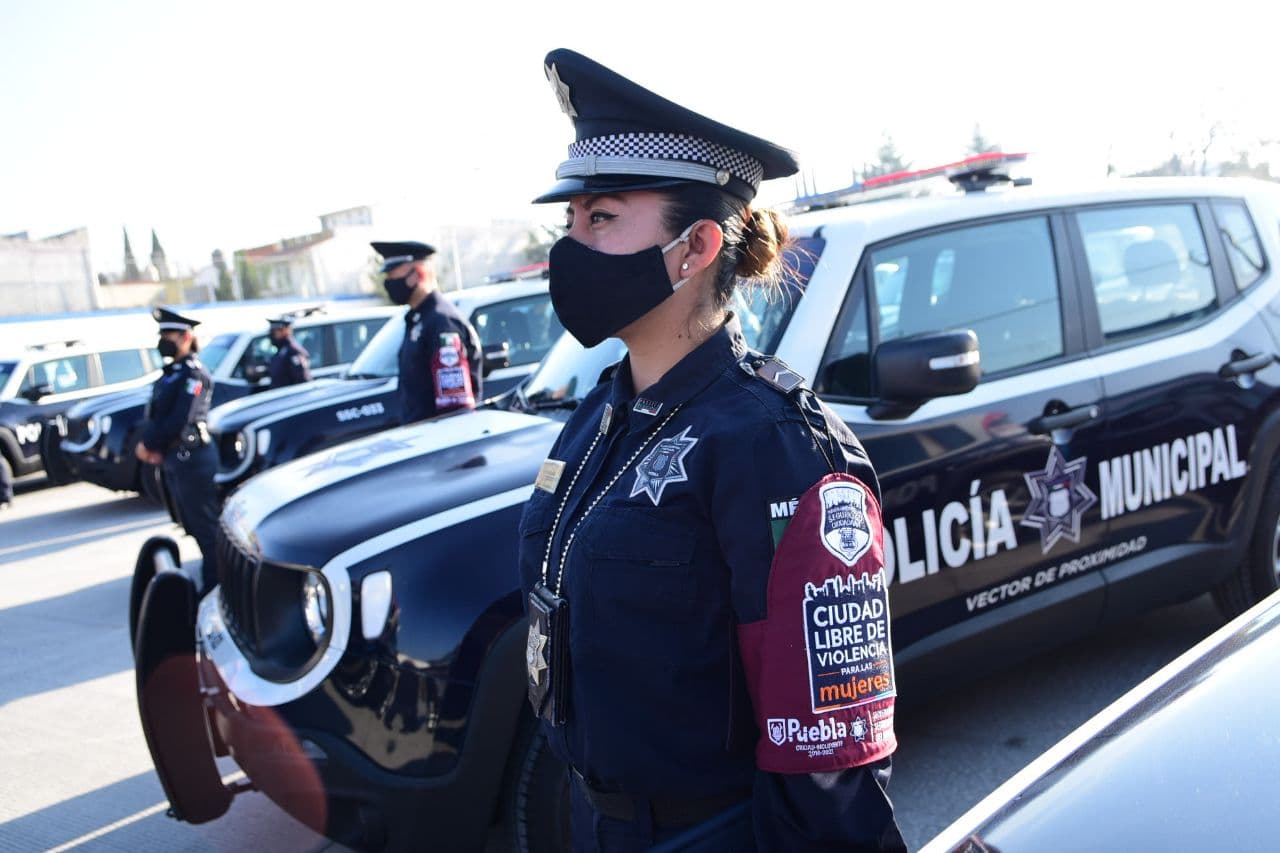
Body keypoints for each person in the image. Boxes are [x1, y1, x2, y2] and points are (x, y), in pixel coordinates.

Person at [517, 50, 904, 852]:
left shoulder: (777, 446)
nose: (570, 248)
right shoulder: (603, 410)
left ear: (694, 249)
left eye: (599, 218)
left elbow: (829, 758)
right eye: (570, 222)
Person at [135, 307, 219, 593]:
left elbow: (180, 419)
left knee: (207, 531)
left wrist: (149, 445)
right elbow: (157, 416)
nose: (162, 340)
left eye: (167, 335)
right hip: (177, 461)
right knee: (193, 527)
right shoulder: (171, 373)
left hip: (193, 460)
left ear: (185, 337)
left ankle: (213, 590)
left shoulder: (194, 375)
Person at [370, 240, 483, 424]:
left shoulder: (441, 322)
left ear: (418, 273)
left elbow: (454, 406)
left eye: (393, 275)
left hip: (440, 441)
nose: (389, 282)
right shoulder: (417, 319)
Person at [266, 314, 313, 388]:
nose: (272, 335)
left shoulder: (294, 352)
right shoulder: (281, 351)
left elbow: (302, 380)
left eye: (275, 331)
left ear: (285, 331)